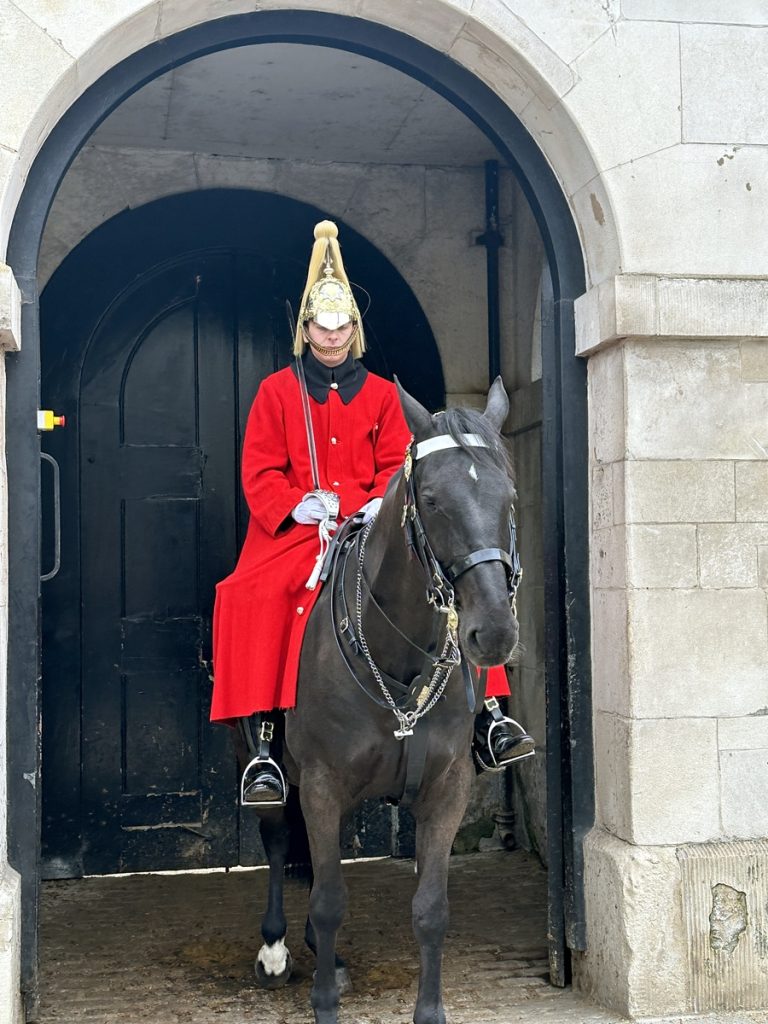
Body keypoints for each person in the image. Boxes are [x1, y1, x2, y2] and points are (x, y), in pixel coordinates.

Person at [211, 220, 534, 805]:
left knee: (450, 582)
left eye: (340, 327)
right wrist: (298, 504)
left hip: (370, 523)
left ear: (354, 330)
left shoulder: (386, 395)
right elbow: (259, 472)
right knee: (249, 593)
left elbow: (398, 467)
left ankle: (486, 713)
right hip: (297, 531)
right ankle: (263, 740)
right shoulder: (275, 393)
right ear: (304, 329)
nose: (330, 337)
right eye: (320, 326)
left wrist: (366, 509)